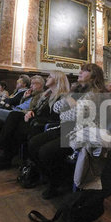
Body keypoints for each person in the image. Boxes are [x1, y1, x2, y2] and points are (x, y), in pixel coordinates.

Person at [27, 63, 106, 199]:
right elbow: (57, 108)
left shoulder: (94, 95)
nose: (80, 72)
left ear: (94, 76)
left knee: (45, 151)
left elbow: (70, 115)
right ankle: (52, 177)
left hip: (82, 133)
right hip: (67, 128)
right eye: (80, 70)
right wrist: (70, 98)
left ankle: (56, 183)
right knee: (33, 143)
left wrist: (68, 110)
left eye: (85, 71)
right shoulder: (78, 91)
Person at [0, 71, 70, 171]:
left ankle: (1, 152)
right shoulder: (48, 94)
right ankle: (2, 154)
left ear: (57, 80)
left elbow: (55, 117)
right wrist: (31, 112)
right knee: (14, 116)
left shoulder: (62, 97)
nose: (47, 79)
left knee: (15, 126)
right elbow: (37, 108)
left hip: (43, 125)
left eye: (50, 77)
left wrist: (33, 115)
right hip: (34, 120)